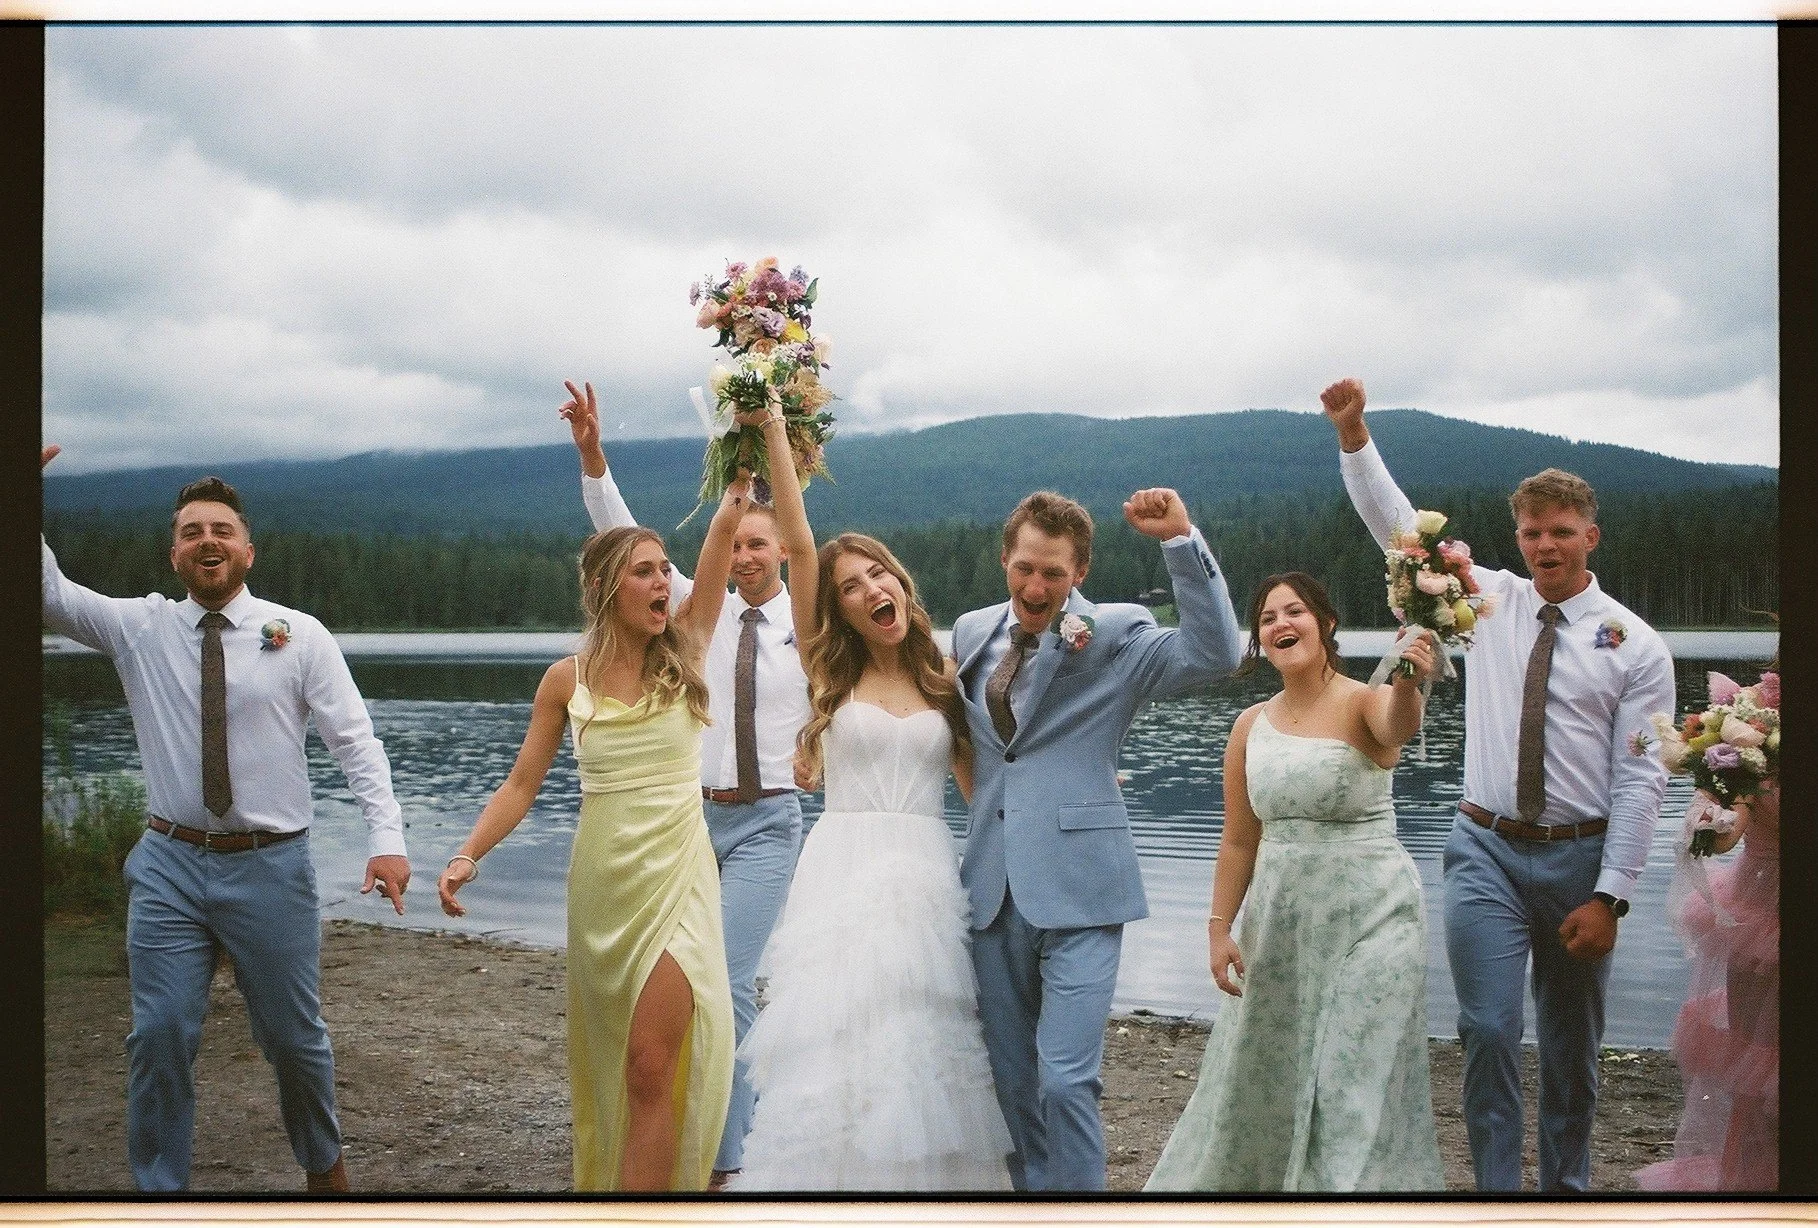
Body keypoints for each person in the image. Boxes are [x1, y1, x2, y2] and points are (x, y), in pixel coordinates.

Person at [1320, 377, 1676, 1193]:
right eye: (1531, 532)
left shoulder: (1637, 645)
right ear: (1517, 537)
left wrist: (1612, 895)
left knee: (1571, 1048)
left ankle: (1565, 1195)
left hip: (1580, 860)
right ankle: (1495, 1198)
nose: (1545, 546)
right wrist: (1354, 435)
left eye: (1561, 532)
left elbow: (1642, 780)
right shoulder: (1483, 602)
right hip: (1484, 850)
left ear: (1590, 536)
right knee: (1485, 1028)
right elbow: (1397, 530)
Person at [39, 445, 411, 1194]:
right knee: (159, 1033)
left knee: (294, 1040)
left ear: (247, 550)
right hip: (169, 863)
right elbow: (47, 596)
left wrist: (387, 840)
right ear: (174, 554)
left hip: (272, 865)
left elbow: (354, 742)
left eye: (221, 530)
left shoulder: (298, 634)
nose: (206, 541)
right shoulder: (138, 628)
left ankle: (324, 1172)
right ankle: (160, 1193)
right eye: (191, 532)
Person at [435, 457, 755, 1192]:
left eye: (665, 570)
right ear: (608, 588)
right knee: (622, 1066)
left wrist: (742, 469)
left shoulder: (689, 650)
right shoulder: (564, 680)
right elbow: (521, 785)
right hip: (604, 890)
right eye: (646, 571)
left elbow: (718, 540)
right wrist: (467, 854)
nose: (663, 582)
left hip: (677, 882)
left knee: (651, 1064)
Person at [724, 438, 1014, 1191]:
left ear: (901, 583)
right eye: (850, 586)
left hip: (924, 876)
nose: (870, 589)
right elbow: (797, 538)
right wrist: (775, 425)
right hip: (842, 871)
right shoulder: (827, 667)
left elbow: (983, 793)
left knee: (921, 1037)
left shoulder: (944, 678)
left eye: (878, 573)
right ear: (839, 609)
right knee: (838, 1034)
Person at [951, 486, 1244, 1192]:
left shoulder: (1116, 634)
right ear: (1004, 559)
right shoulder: (968, 632)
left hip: (1084, 887)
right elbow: (986, 754)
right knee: (1013, 1082)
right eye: (1025, 569)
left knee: (1065, 1080)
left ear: (1079, 571)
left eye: (1053, 573)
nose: (1036, 588)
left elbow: (1217, 653)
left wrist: (1181, 542)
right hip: (990, 889)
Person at [559, 379, 813, 1188]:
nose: (744, 556)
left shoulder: (809, 626)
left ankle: (724, 1165)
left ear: (779, 550)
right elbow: (620, 535)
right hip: (688, 825)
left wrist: (824, 746)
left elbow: (846, 698)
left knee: (727, 984)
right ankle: (699, 1145)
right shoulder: (694, 614)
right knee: (694, 994)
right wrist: (594, 459)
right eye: (735, 545)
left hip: (769, 822)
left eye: (758, 545)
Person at [1146, 573, 1445, 1191]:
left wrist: (1410, 680)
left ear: (1326, 623)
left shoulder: (1366, 700)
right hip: (1281, 924)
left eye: (1295, 612)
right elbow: (1239, 840)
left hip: (1375, 918)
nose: (1281, 624)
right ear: (1260, 639)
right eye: (1267, 618)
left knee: (1351, 1077)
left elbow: (1397, 728)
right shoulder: (1249, 726)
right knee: (1267, 1075)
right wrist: (1218, 930)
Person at [1637, 765, 1779, 1190]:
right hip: (1762, 915)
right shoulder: (1754, 747)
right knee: (1759, 1061)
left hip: (1759, 914)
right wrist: (1710, 806)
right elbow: (1721, 839)